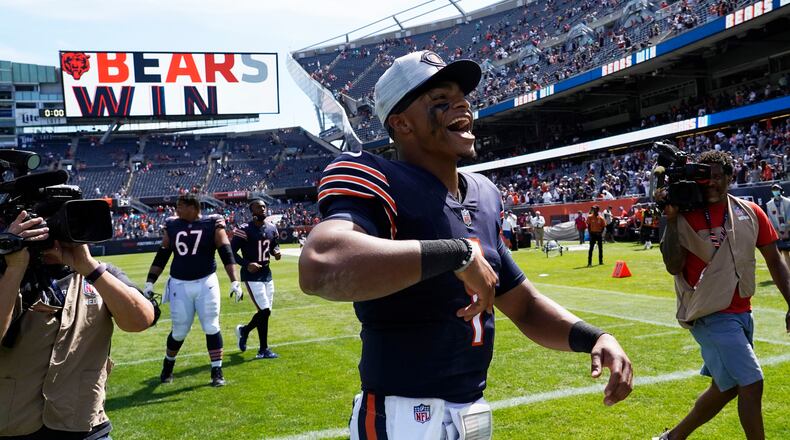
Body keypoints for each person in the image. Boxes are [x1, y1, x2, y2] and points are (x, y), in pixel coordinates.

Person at [299, 50, 633, 440]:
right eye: (441, 99)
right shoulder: (377, 175)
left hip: (471, 411)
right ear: (402, 123)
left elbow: (523, 305)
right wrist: (456, 254)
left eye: (462, 97)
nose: (462, 105)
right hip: (403, 416)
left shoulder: (483, 194)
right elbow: (319, 265)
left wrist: (595, 337)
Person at [655, 150, 790, 440]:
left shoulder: (750, 212)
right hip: (708, 312)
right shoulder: (683, 214)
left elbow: (775, 260)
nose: (712, 183)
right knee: (752, 382)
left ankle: (672, 438)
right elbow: (673, 266)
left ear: (729, 178)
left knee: (726, 388)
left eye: (718, 176)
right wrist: (671, 220)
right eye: (706, 177)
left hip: (743, 312)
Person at [0, 210, 156, 438]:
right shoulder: (6, 274)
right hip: (13, 425)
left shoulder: (99, 272)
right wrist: (13, 268)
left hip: (85, 424)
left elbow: (141, 321)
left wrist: (88, 266)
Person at [143, 194, 242, 387]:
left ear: (193, 207)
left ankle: (216, 370)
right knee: (179, 331)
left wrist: (235, 281)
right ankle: (168, 364)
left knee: (212, 326)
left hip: (206, 282)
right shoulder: (172, 225)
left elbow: (226, 252)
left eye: (180, 206)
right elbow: (162, 254)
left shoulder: (212, 223)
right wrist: (150, 282)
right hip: (179, 284)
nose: (176, 210)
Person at [231, 199, 282, 360]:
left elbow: (273, 245)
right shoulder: (244, 229)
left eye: (264, 206)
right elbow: (231, 252)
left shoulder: (272, 228)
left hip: (267, 272)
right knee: (264, 310)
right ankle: (261, 347)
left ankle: (247, 333)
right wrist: (247, 264)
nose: (263, 209)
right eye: (259, 207)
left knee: (265, 312)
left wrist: (276, 252)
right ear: (251, 210)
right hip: (252, 274)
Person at [766, 183, 790, 267]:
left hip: (788, 231)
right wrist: (777, 232)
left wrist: (786, 230)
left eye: (777, 189)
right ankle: (783, 272)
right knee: (778, 254)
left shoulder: (788, 202)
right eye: (774, 190)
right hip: (777, 232)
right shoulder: (769, 204)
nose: (775, 191)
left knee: (786, 253)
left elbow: (789, 217)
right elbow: (770, 220)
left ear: (781, 190)